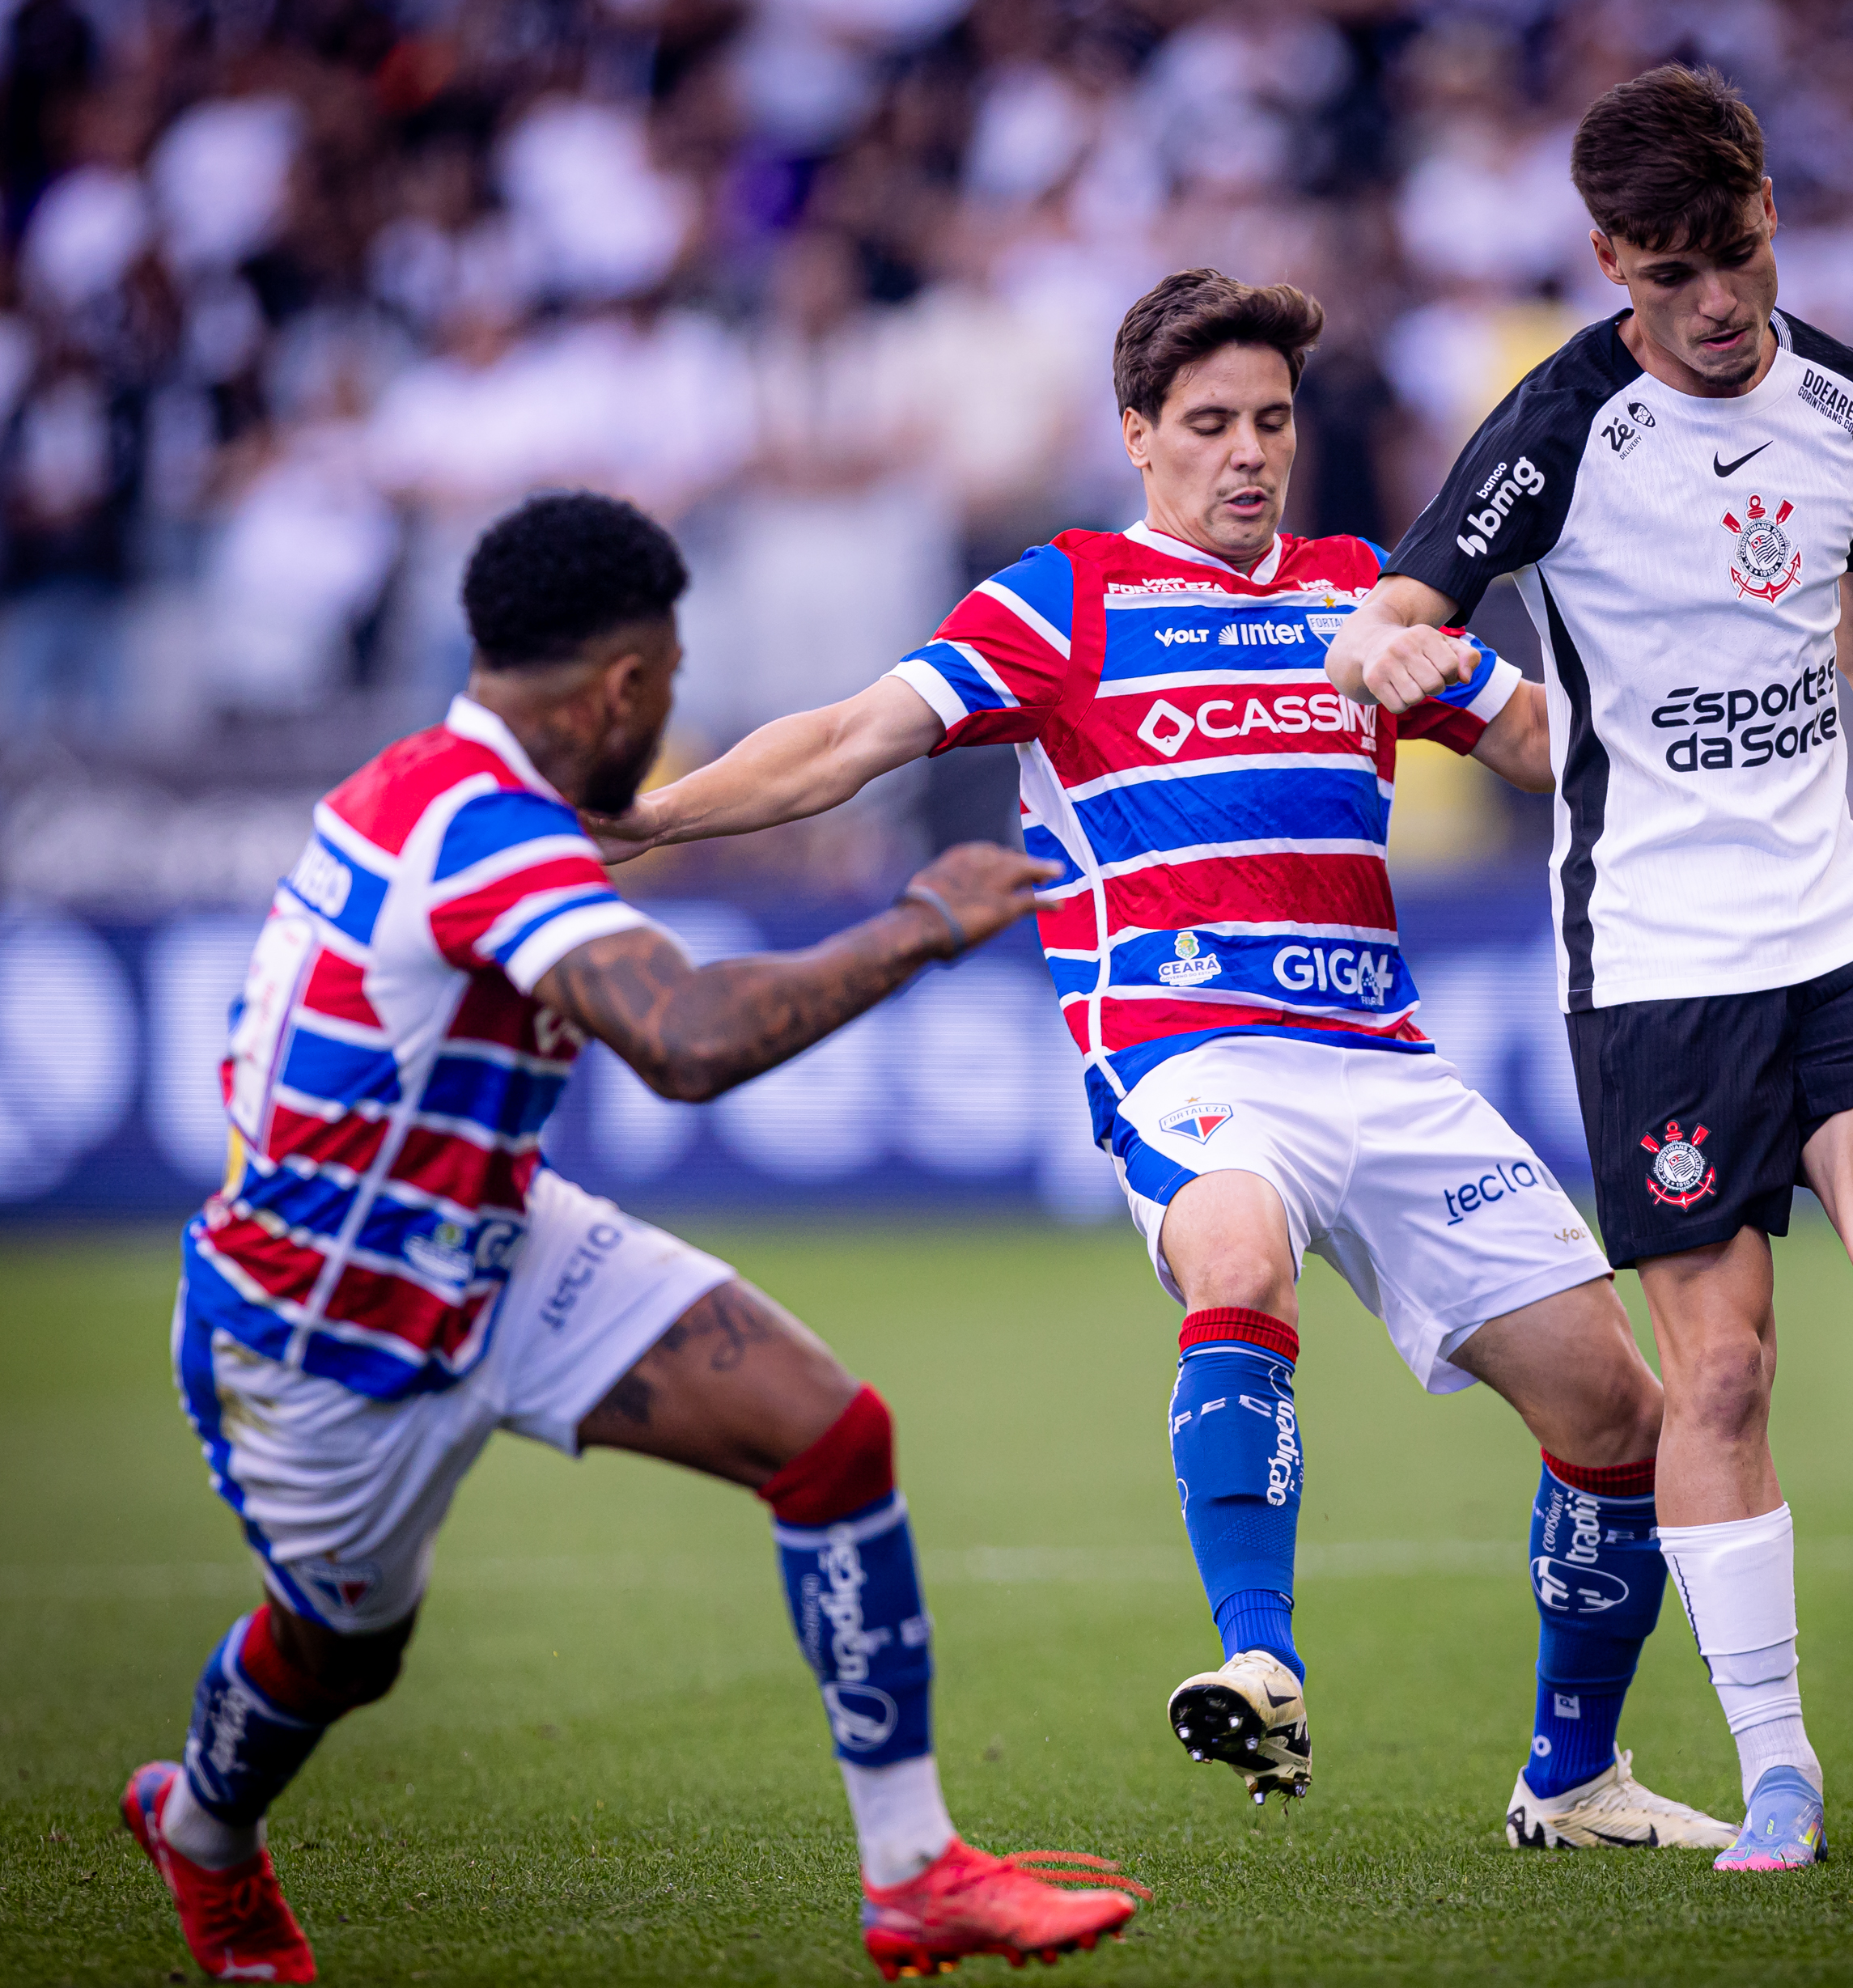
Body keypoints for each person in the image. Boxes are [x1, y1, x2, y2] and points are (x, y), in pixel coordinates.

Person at [595, 270, 1736, 1854]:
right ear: (1138, 434)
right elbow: (850, 738)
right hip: (1190, 1049)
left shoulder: (1366, 594)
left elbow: (1550, 744)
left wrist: (1678, 683)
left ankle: (1574, 1779)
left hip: (1385, 1063)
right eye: (1208, 424)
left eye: (1270, 420)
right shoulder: (1063, 598)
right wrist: (648, 817)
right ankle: (1261, 1655)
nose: (1247, 452)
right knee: (1236, 1249)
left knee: (1619, 1406)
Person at [121, 491, 1144, 1984]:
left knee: (830, 1439)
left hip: (492, 1240)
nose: (667, 716)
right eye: (666, 684)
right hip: (321, 1335)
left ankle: (915, 1873)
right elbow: (685, 1039)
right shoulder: (483, 827)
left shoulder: (426, 785)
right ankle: (203, 1834)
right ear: (621, 686)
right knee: (341, 1649)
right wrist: (921, 920)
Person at [1325, 65, 1853, 1876]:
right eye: (1673, 270)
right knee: (1725, 1371)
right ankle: (1779, 1768)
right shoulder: (1557, 425)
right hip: (1656, 958)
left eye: (1739, 254)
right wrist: (1392, 656)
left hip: (1833, 914)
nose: (1717, 301)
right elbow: (1392, 611)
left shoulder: (1851, 402)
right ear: (1610, 258)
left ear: (1771, 213)